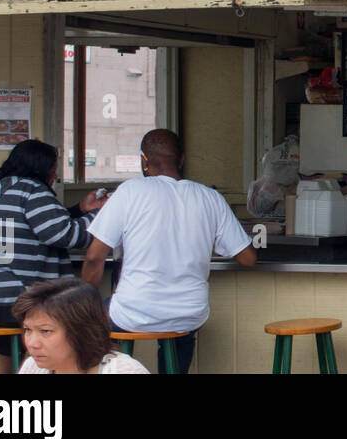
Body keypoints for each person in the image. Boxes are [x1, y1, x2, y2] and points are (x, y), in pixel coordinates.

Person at [80, 129, 256, 374]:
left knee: (95, 322)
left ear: (144, 161)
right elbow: (248, 258)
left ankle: (114, 368)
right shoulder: (210, 197)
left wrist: (85, 305)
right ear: (182, 159)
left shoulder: (130, 191)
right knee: (180, 333)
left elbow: (94, 257)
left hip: (133, 312)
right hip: (189, 313)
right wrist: (206, 240)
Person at [0, 139, 107, 373]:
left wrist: (80, 209)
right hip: (8, 303)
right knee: (61, 322)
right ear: (41, 168)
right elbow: (67, 236)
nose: (54, 176)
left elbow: (42, 223)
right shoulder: (31, 190)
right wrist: (100, 216)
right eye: (54, 170)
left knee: (10, 334)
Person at [15, 277, 149, 374]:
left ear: (81, 331)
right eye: (27, 330)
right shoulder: (33, 368)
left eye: (45, 331)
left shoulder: (123, 371)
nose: (32, 343)